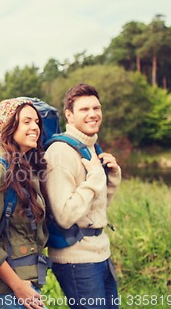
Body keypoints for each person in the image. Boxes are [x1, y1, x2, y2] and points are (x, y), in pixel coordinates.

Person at [44, 83, 122, 309]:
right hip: (77, 260)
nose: (93, 114)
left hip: (100, 252)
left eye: (96, 108)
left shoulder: (91, 148)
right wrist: (95, 179)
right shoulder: (60, 153)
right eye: (84, 109)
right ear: (69, 115)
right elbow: (65, 215)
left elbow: (97, 208)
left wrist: (112, 177)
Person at [0, 98, 49, 309]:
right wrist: (18, 286)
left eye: (36, 122)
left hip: (28, 279)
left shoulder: (25, 169)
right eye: (26, 122)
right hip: (12, 287)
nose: (35, 127)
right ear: (8, 127)